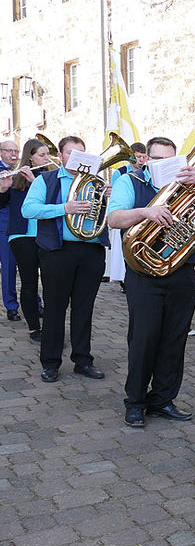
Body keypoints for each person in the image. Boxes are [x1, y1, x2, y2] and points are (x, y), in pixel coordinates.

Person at [107, 136, 195, 428]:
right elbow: (114, 218)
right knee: (144, 338)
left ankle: (162, 399)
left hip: (181, 270)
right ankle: (135, 401)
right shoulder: (130, 182)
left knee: (175, 339)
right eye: (158, 159)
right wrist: (146, 212)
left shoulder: (188, 183)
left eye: (171, 160)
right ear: (146, 159)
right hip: (144, 273)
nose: (165, 165)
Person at [22, 136, 109, 383]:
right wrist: (64, 208)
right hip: (57, 251)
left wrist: (110, 199)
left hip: (91, 251)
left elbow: (107, 217)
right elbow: (28, 210)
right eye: (71, 153)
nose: (77, 158)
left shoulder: (97, 182)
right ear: (60, 156)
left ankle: (83, 360)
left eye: (82, 153)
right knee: (54, 308)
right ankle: (50, 362)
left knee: (84, 309)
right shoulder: (46, 180)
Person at [0, 139, 50, 343]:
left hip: (46, 235)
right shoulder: (17, 177)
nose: (47, 158)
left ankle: (50, 325)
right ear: (30, 157)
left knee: (51, 283)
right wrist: (3, 190)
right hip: (22, 236)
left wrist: (34, 182)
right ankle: (33, 329)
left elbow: (53, 203)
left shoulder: (49, 177)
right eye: (42, 155)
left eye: (47, 154)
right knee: (29, 282)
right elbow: (7, 205)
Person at [108, 142, 149, 293]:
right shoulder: (121, 173)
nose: (140, 160)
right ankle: (128, 280)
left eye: (143, 157)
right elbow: (114, 193)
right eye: (137, 157)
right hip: (127, 217)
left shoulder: (147, 171)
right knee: (128, 249)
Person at [0, 139, 20, 321]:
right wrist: (3, 189)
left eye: (16, 151)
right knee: (9, 267)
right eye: (9, 151)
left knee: (28, 266)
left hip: (22, 224)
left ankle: (34, 303)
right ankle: (11, 306)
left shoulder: (22, 169)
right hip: (4, 225)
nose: (14, 155)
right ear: (1, 152)